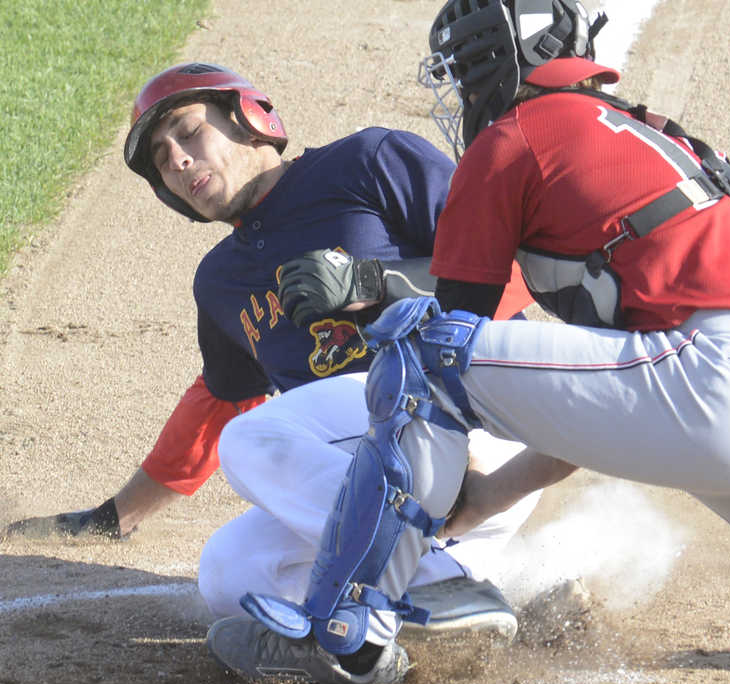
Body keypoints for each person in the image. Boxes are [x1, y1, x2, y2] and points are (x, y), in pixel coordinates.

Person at [203, 0, 730, 684]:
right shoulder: (660, 141)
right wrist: (488, 497)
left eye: (462, 68)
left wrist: (372, 287)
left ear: (493, 60)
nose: (461, 88)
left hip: (721, 384)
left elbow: (453, 336)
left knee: (426, 351)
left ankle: (348, 629)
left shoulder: (515, 135)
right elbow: (599, 399)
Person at [3, 61, 542, 641]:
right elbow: (220, 401)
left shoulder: (367, 160)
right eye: (162, 159)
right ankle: (445, 598)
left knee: (255, 440)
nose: (179, 161)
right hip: (383, 484)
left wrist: (375, 282)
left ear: (249, 118)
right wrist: (118, 515)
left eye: (187, 132)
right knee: (230, 573)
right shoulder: (220, 281)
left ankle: (441, 588)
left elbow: (517, 265)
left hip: (470, 429)